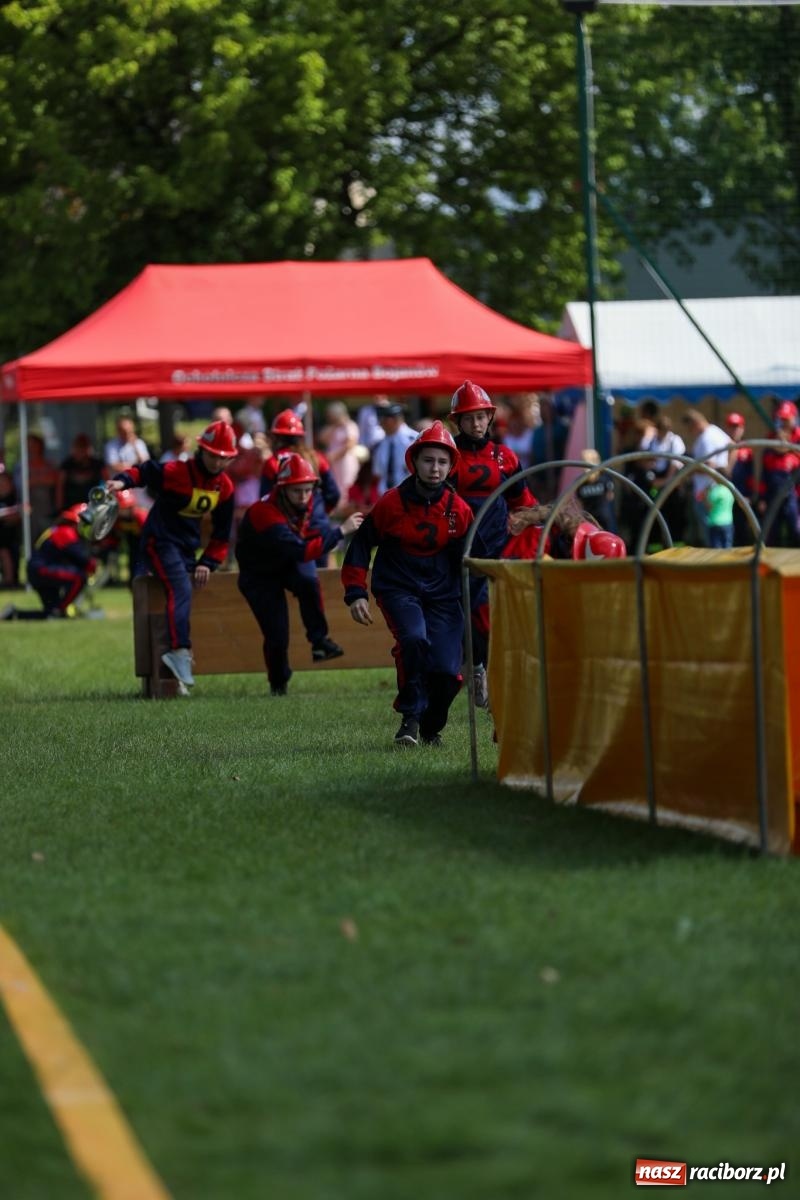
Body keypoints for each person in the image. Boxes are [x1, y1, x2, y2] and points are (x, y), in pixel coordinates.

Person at [342, 420, 474, 748]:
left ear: (451, 466)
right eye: (428, 460)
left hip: (443, 596)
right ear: (413, 461)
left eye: (443, 462)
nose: (435, 468)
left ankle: (431, 727)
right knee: (414, 639)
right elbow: (360, 546)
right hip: (399, 588)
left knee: (447, 671)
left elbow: (471, 562)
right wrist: (355, 592)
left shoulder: (459, 511)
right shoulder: (390, 503)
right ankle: (410, 719)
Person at [106, 421, 238, 693]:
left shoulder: (224, 487)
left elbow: (222, 535)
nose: (217, 462)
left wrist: (208, 562)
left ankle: (175, 677)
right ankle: (179, 652)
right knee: (180, 589)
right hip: (160, 542)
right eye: (213, 455)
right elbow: (145, 472)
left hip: (187, 549)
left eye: (223, 458)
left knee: (188, 596)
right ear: (202, 450)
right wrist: (122, 482)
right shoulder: (177, 471)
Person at [236, 453, 364, 696]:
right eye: (297, 491)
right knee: (277, 634)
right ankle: (278, 684)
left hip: (284, 562)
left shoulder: (302, 503)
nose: (304, 497)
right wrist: (341, 532)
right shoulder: (266, 513)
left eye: (308, 490)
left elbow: (312, 537)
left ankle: (319, 641)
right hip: (258, 575)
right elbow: (302, 551)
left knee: (308, 580)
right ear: (282, 489)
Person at [447, 380, 536, 708]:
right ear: (458, 421)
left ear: (489, 417)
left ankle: (481, 670)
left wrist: (532, 522)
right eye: (468, 418)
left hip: (499, 549)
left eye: (481, 416)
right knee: (461, 614)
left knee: (485, 614)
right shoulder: (447, 456)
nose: (476, 423)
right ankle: (471, 667)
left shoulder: (505, 457)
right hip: (457, 549)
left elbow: (522, 501)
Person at [1, 503, 99, 620]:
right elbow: (81, 559)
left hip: (38, 570)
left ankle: (14, 614)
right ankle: (62, 610)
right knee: (79, 578)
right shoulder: (66, 532)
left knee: (50, 614)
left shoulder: (60, 530)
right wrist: (92, 562)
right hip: (42, 570)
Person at [681, 408, 731, 546]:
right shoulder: (715, 431)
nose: (690, 433)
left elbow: (709, 465)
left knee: (711, 535)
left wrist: (690, 469)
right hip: (715, 489)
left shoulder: (707, 438)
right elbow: (732, 446)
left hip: (707, 492)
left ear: (696, 423)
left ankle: (716, 564)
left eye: (690, 429)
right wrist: (727, 470)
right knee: (722, 535)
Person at [758, 401, 800, 547]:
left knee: (795, 529)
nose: (783, 423)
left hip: (792, 495)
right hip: (773, 496)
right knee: (772, 532)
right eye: (781, 419)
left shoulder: (796, 446)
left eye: (787, 419)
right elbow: (764, 474)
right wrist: (762, 497)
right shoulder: (771, 443)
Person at [370, 402, 419, 496]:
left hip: (409, 494)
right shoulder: (379, 443)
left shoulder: (414, 440)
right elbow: (378, 473)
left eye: (384, 420)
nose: (380, 423)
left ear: (395, 419)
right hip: (385, 495)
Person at [317, 401, 361, 496]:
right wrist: (334, 426)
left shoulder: (350, 426)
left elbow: (350, 444)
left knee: (345, 486)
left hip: (345, 462)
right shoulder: (334, 427)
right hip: (334, 462)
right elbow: (322, 439)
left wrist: (334, 456)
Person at [725, 412, 756, 546]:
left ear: (742, 428)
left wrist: (749, 495)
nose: (735, 430)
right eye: (732, 426)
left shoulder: (747, 449)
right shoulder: (722, 447)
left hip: (742, 494)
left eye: (737, 427)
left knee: (742, 527)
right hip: (726, 493)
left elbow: (751, 474)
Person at [57, 432, 107, 510]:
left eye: (83, 447)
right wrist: (59, 507)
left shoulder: (97, 464)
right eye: (78, 446)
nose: (81, 450)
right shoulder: (67, 464)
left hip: (94, 506)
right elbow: (60, 486)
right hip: (71, 507)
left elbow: (107, 482)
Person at [576, 449, 617, 532]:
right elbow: (579, 503)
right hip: (589, 521)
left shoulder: (605, 478)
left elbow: (610, 496)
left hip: (604, 521)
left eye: (585, 461)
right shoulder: (580, 482)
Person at [0, 461, 22, 587]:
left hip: (8, 534)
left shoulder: (13, 498)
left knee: (4, 551)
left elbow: (18, 513)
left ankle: (9, 580)